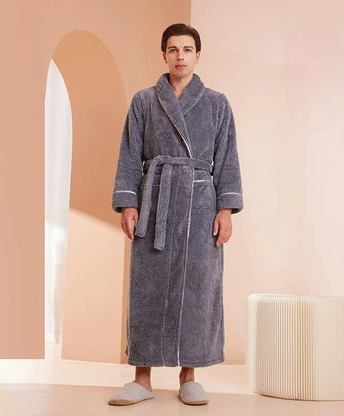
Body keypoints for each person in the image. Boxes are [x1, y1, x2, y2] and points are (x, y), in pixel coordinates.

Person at [108, 23, 243, 406]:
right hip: (156, 202)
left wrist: (226, 208)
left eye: (187, 49)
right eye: (173, 49)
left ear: (197, 56)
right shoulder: (144, 101)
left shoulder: (216, 104)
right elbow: (130, 154)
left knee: (198, 286)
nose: (180, 56)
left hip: (200, 205)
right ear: (164, 55)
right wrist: (129, 202)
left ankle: (189, 376)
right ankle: (142, 378)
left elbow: (227, 158)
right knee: (147, 287)